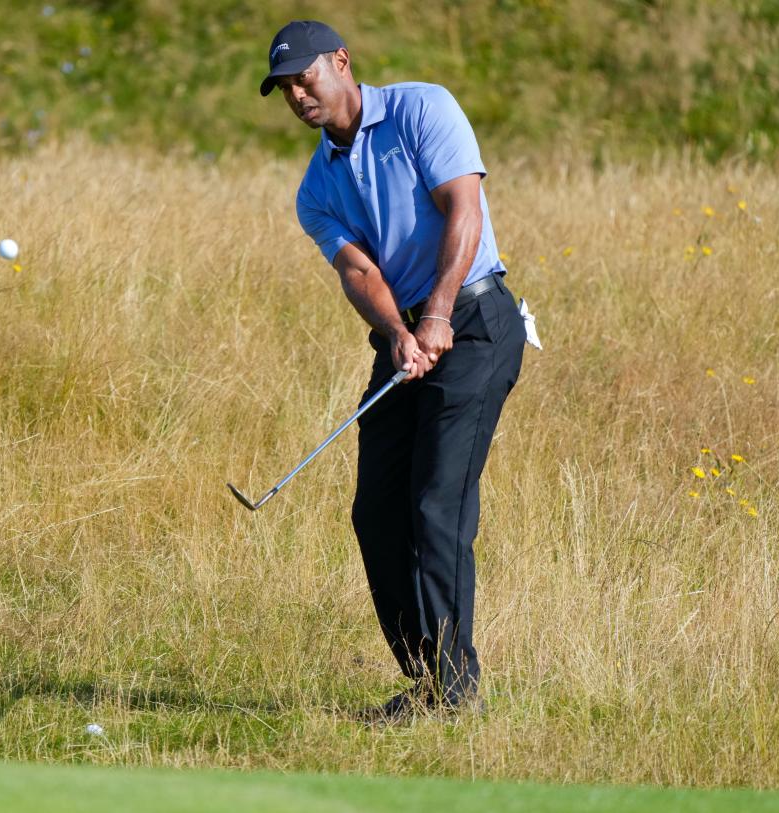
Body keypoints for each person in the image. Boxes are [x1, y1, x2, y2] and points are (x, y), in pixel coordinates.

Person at [260, 20, 527, 723]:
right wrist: (400, 333)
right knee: (376, 510)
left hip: (474, 321)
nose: (297, 94)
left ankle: (454, 689)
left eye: (305, 77)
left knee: (436, 503)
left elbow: (463, 209)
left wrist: (436, 315)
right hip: (406, 336)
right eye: (285, 87)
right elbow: (358, 269)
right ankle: (431, 678)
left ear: (341, 62)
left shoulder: (421, 108)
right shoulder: (315, 187)